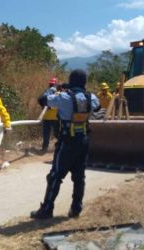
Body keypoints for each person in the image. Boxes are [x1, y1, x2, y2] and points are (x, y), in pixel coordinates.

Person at [30, 69, 100, 219]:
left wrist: (54, 88)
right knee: (79, 177)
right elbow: (98, 106)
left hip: (67, 142)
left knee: (55, 176)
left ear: (70, 81)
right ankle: (76, 209)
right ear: (84, 82)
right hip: (83, 141)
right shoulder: (91, 97)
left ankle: (47, 209)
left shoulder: (63, 97)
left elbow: (42, 100)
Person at [38, 77, 59, 153]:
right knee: (57, 134)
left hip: (47, 117)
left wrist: (45, 106)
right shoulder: (59, 93)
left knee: (46, 134)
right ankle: (58, 148)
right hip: (55, 117)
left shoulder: (45, 93)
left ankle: (45, 148)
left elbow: (40, 100)